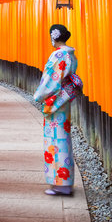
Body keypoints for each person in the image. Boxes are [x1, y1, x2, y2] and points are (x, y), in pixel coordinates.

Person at [34, 24, 79, 195]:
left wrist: (39, 94)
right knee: (63, 138)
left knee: (55, 140)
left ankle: (61, 183)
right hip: (64, 100)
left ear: (54, 37)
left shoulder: (59, 54)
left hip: (56, 101)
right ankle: (63, 183)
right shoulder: (71, 54)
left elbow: (51, 79)